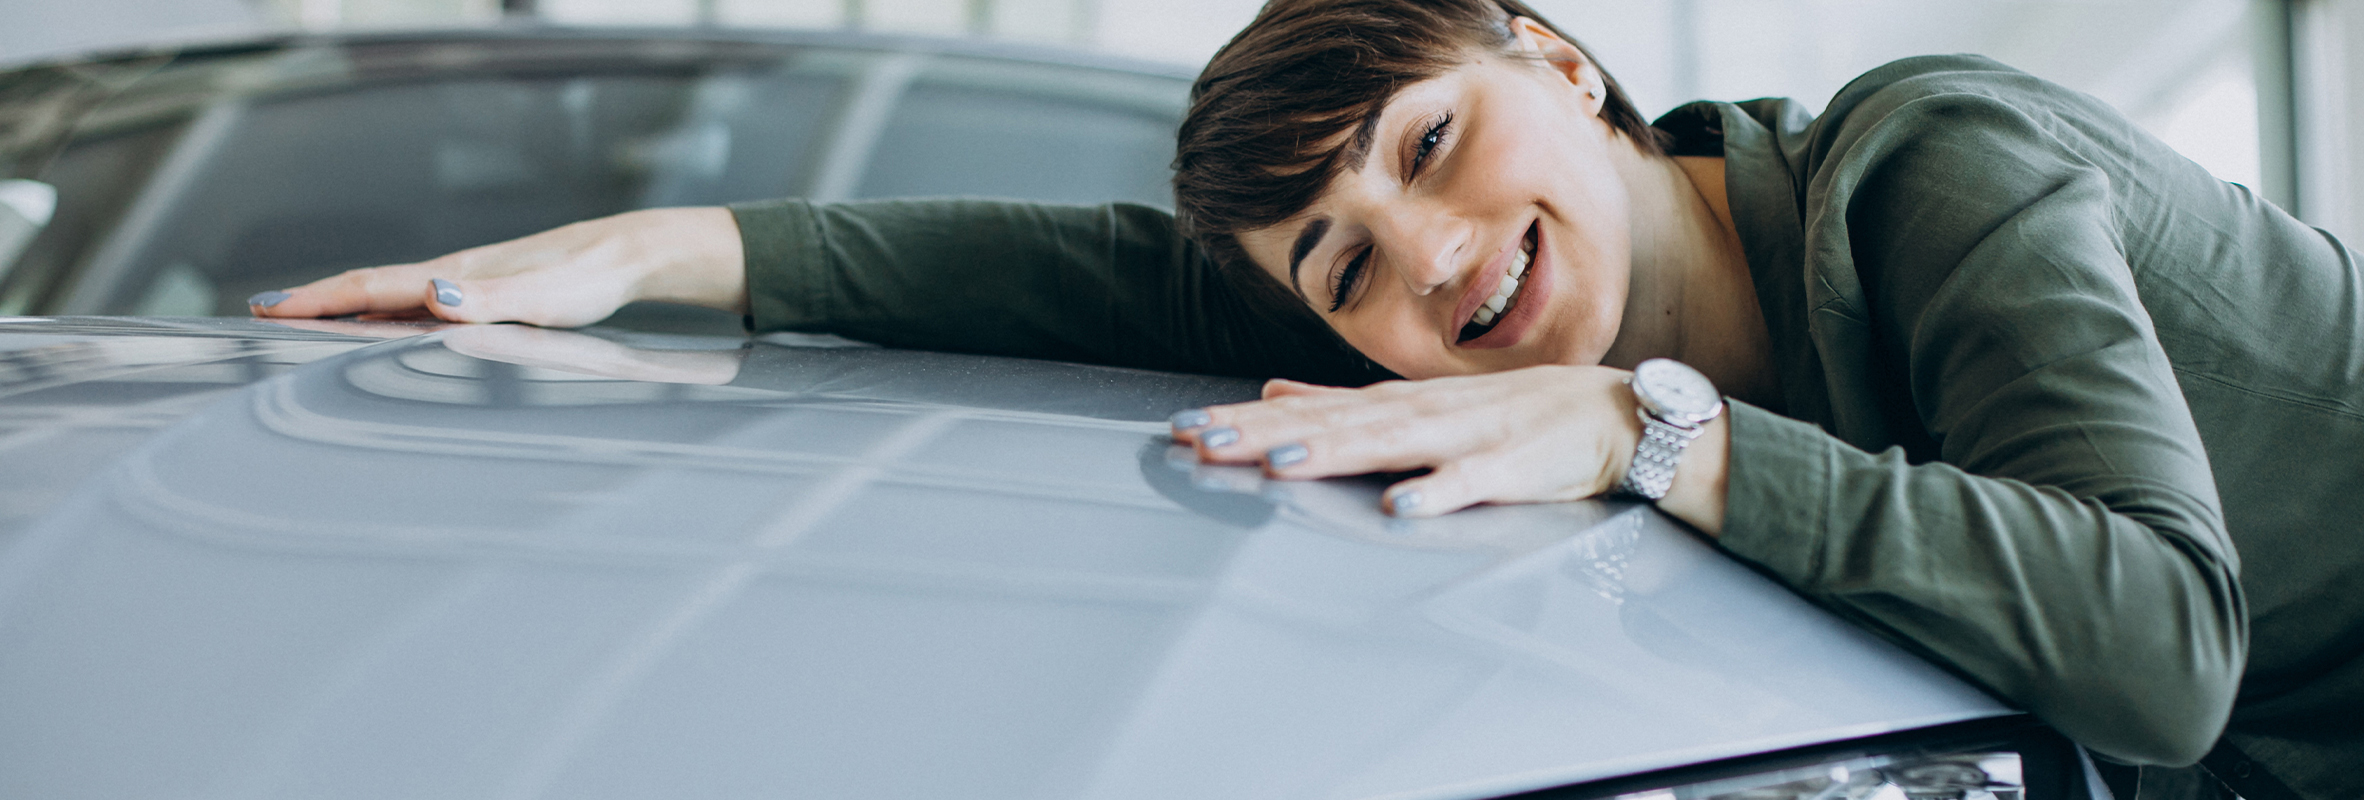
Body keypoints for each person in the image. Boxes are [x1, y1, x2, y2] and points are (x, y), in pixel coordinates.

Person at [248, 0, 2361, 796]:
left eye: (1433, 144)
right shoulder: (1454, 292)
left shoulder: (1941, 162)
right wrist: (654, 253)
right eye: (1345, 265)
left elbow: (2169, 644)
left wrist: (1655, 430)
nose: (1427, 261)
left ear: (1556, 59)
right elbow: (1055, 270)